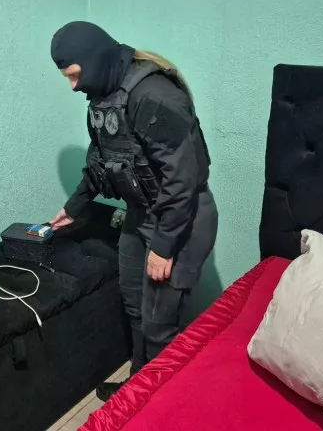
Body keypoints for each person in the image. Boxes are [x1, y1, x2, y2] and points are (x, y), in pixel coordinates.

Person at [49, 21, 218, 401]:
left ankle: (160, 408)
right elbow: (101, 163)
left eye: (74, 75)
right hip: (142, 213)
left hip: (181, 220)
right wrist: (73, 208)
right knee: (136, 308)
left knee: (159, 326)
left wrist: (164, 246)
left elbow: (182, 180)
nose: (73, 87)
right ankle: (140, 390)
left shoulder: (154, 94)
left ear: (94, 60)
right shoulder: (105, 97)